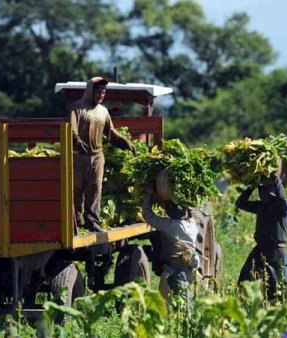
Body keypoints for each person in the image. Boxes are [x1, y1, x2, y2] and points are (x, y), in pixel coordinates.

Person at [70, 76, 136, 232]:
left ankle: (91, 220)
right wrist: (77, 140)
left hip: (97, 156)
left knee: (95, 187)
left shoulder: (104, 112)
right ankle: (77, 220)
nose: (100, 96)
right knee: (77, 188)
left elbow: (111, 133)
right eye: (98, 92)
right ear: (90, 91)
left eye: (103, 93)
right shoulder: (77, 108)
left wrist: (126, 143)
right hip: (79, 156)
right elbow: (71, 128)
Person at [236, 170, 287, 300]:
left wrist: (277, 181)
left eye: (265, 192)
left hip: (276, 251)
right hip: (260, 249)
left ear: (272, 193)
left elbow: (283, 199)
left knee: (277, 287)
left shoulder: (281, 207)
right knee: (245, 278)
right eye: (261, 192)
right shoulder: (261, 206)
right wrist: (251, 186)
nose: (262, 195)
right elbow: (240, 204)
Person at [143, 183, 200, 304]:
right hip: (189, 267)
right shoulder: (192, 224)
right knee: (183, 296)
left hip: (175, 269)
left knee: (179, 301)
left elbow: (147, 215)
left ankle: (182, 321)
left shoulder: (170, 226)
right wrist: (187, 198)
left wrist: (149, 195)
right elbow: (194, 214)